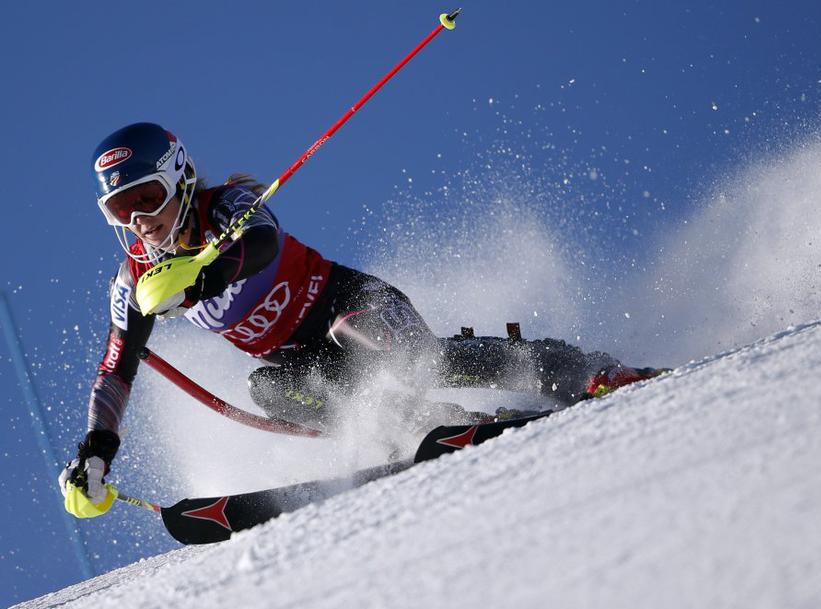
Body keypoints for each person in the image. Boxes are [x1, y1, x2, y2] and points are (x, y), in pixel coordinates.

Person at [59, 122, 666, 514]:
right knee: (271, 388)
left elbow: (263, 242)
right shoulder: (133, 283)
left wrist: (205, 277)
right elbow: (116, 369)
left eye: (147, 197)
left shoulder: (228, 207)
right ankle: (447, 426)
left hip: (352, 306)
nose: (140, 220)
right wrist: (96, 450)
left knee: (390, 352)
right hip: (305, 360)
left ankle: (580, 370)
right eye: (120, 209)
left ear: (181, 177)